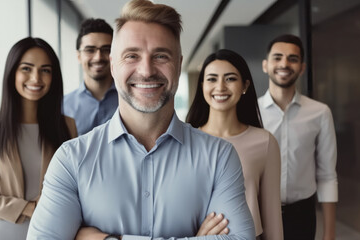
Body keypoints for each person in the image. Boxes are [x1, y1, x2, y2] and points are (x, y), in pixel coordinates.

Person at [27, 0, 255, 239]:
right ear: (113, 66)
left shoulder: (219, 157)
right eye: (132, 56)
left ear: (178, 66)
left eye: (160, 56)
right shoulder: (71, 159)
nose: (146, 70)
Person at [0, 37, 78, 240]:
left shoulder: (67, 126)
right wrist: (27, 207)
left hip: (53, 232)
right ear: (12, 73)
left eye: (45, 70)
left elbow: (76, 186)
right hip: (3, 233)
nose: (36, 78)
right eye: (26, 68)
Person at [186, 49, 283, 240]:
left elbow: (272, 217)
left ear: (245, 85)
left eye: (230, 79)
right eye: (212, 79)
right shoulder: (185, 140)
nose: (220, 87)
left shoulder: (265, 142)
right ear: (202, 85)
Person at [258, 34, 338, 240]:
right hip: (258, 212)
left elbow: (327, 175)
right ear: (265, 65)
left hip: (302, 214)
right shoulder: (250, 112)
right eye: (277, 57)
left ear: (302, 68)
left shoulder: (320, 112)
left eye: (292, 58)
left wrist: (329, 233)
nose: (284, 63)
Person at [63, 18, 118, 135]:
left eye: (106, 49)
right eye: (90, 50)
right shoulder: (63, 106)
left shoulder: (130, 100)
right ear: (78, 56)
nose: (98, 57)